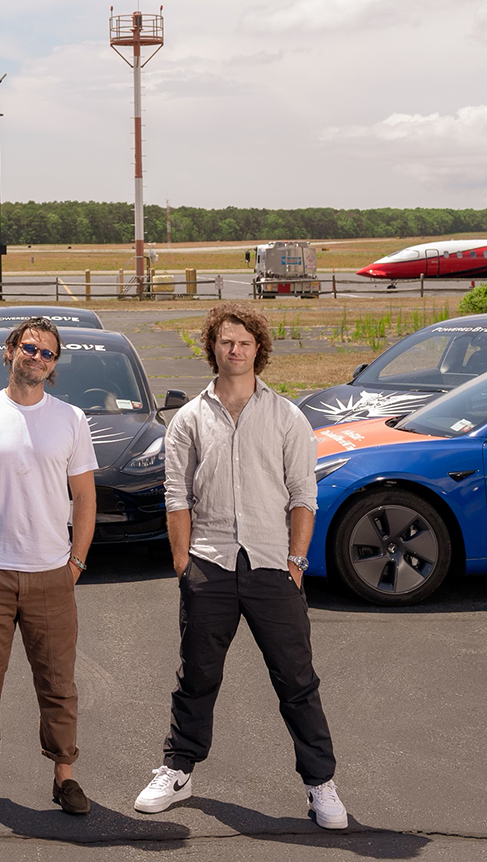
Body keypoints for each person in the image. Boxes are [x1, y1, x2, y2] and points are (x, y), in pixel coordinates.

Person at [134, 303, 347, 829]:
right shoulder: (189, 418)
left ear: (258, 349)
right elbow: (176, 495)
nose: (235, 350)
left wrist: (296, 562)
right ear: (213, 348)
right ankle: (178, 770)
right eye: (226, 342)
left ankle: (321, 785)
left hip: (273, 566)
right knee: (197, 676)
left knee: (296, 680)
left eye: (244, 343)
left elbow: (303, 495)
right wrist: (185, 563)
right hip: (209, 564)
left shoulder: (287, 416)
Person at [0, 316, 99, 818]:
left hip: (51, 574)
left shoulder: (71, 420)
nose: (38, 358)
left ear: (55, 365)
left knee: (58, 683)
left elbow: (85, 499)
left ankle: (65, 776)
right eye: (30, 348)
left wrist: (76, 561)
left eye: (48, 354)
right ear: (11, 350)